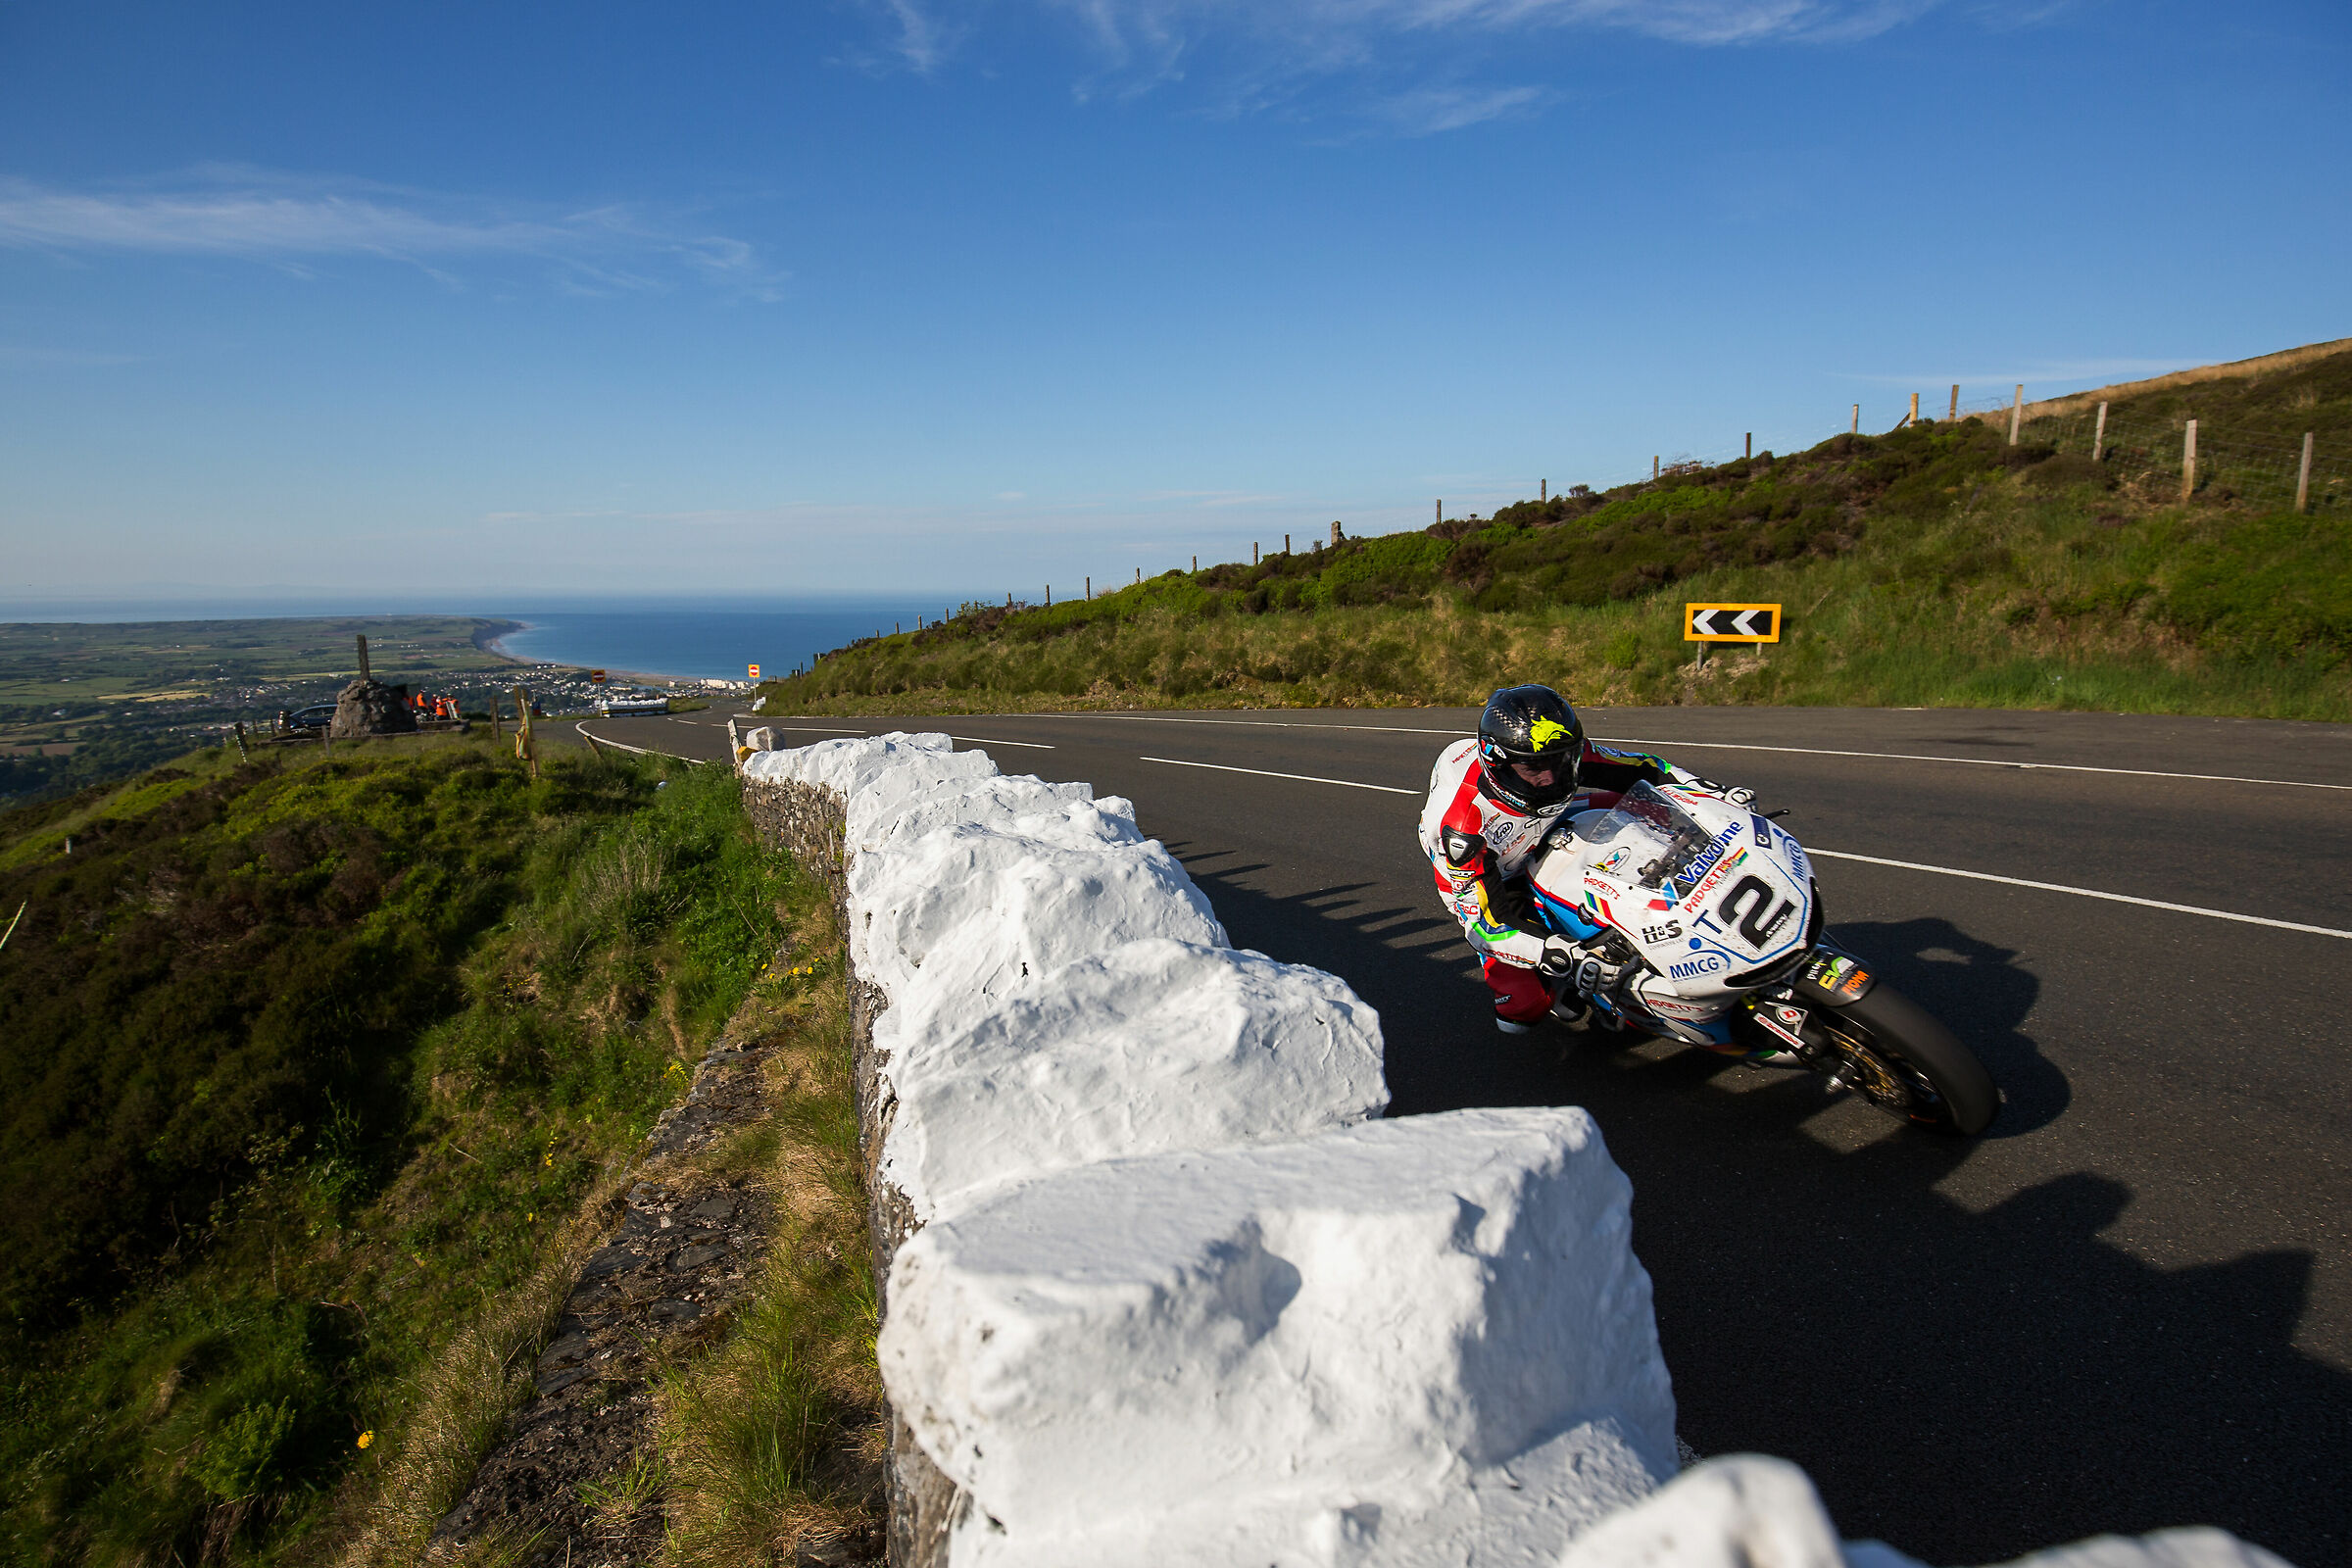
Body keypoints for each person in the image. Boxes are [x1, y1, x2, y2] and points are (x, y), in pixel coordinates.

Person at [1418, 684, 1750, 1034]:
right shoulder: (1461, 832)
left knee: (1648, 808)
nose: (1550, 777)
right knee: (1523, 1012)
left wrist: (1714, 794)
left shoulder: (1555, 749)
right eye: (1534, 770)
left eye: (1560, 761)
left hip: (1547, 820)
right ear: (1498, 765)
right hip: (1495, 871)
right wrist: (1562, 957)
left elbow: (1646, 769)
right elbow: (1487, 925)